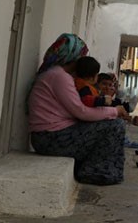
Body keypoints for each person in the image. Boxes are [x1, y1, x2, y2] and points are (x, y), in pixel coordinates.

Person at [28, 33, 129, 185]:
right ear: (72, 56)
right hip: (50, 138)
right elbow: (81, 112)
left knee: (110, 123)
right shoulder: (59, 77)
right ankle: (96, 172)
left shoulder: (57, 75)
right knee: (115, 126)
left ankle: (94, 169)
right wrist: (115, 111)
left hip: (50, 135)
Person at [97, 73, 138, 149]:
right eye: (104, 84)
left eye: (110, 85)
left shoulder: (111, 100)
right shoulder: (97, 98)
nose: (107, 88)